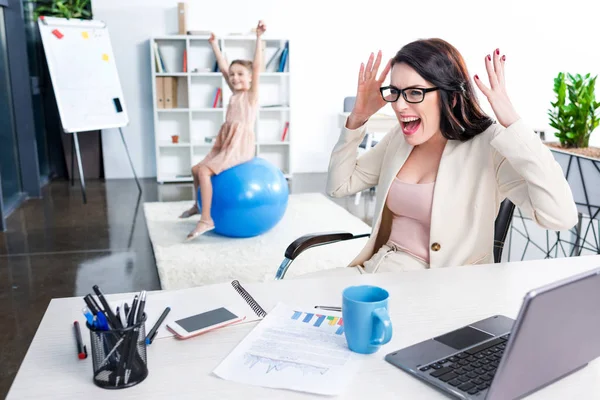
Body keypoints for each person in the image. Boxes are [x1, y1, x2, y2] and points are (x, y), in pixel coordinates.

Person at [326, 38, 578, 274]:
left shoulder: (488, 146)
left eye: (414, 93)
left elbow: (560, 216)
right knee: (295, 301)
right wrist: (358, 117)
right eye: (395, 91)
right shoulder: (398, 139)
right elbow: (339, 185)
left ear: (452, 96)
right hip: (375, 272)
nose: (399, 106)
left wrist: (512, 122)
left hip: (440, 289)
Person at [180, 20, 266, 240]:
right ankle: (198, 206)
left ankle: (206, 219)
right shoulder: (235, 93)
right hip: (226, 141)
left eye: (240, 74)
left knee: (205, 171)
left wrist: (258, 38)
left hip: (240, 145)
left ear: (249, 78)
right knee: (196, 168)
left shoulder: (251, 95)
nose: (235, 78)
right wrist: (214, 45)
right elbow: (223, 67)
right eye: (233, 75)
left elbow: (257, 67)